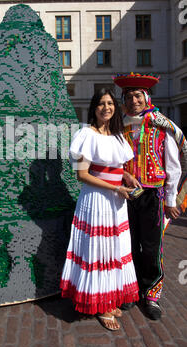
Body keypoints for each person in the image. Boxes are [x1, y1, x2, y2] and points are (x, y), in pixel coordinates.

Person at [60, 88, 140, 331]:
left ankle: (107, 298)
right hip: (96, 200)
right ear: (94, 108)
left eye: (110, 103)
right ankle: (101, 305)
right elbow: (82, 174)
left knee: (114, 249)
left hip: (116, 201)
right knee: (99, 250)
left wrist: (126, 176)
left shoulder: (117, 136)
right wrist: (114, 188)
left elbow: (115, 166)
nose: (106, 107)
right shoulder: (85, 134)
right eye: (101, 104)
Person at [113, 72, 187, 320]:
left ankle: (152, 294)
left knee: (153, 246)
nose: (134, 101)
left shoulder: (160, 124)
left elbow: (173, 163)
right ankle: (132, 290)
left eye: (137, 96)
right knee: (128, 244)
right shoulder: (118, 125)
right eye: (129, 96)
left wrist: (170, 199)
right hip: (126, 195)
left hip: (153, 194)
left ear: (146, 97)